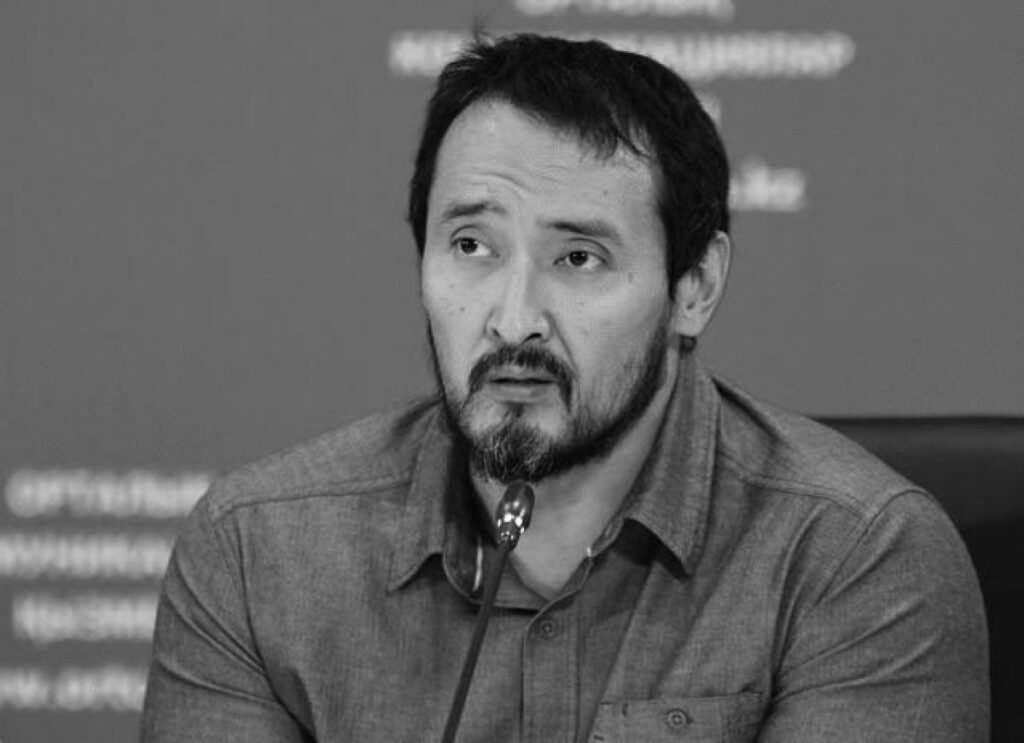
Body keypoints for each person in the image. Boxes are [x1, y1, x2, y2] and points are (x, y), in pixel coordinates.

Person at [141, 33, 989, 742]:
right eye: (471, 246)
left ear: (694, 286)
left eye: (579, 257)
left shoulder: (856, 557)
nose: (514, 320)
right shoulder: (257, 554)